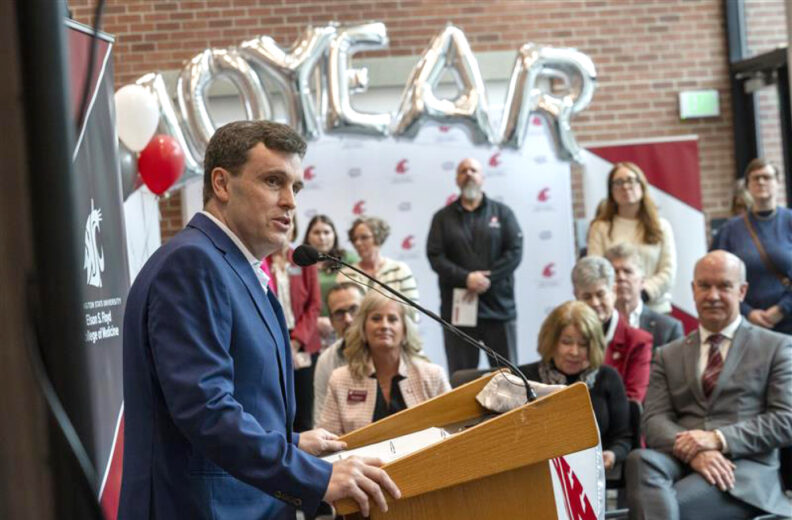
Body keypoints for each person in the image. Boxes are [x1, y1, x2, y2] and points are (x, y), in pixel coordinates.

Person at [120, 121, 399, 520]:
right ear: (221, 184)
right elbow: (207, 410)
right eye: (273, 181)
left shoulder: (235, 265)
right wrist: (314, 477)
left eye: (295, 188)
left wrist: (293, 443)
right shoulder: (192, 263)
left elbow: (243, 397)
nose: (290, 202)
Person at [625, 251, 792, 519]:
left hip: (743, 474)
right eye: (704, 286)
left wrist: (718, 440)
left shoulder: (776, 346)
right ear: (693, 290)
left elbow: (786, 420)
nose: (712, 295)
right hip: (680, 462)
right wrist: (694, 451)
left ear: (742, 291)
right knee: (639, 460)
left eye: (724, 286)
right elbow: (654, 421)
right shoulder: (668, 354)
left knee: (661, 510)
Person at [426, 157, 523, 374]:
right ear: (457, 180)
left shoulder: (503, 213)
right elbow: (435, 256)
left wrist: (489, 278)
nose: (468, 174)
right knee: (462, 377)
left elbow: (515, 251)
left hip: (499, 309)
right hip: (459, 312)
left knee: (509, 377)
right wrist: (466, 278)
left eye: (474, 170)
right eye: (463, 171)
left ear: (483, 178)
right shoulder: (442, 218)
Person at [519, 301, 631, 472]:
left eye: (583, 344)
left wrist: (612, 454)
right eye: (566, 342)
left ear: (593, 346)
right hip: (535, 472)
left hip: (591, 472)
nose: (574, 351)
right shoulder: (524, 378)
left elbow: (623, 438)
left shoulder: (608, 377)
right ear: (551, 342)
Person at [318, 291, 450, 435]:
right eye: (376, 319)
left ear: (405, 329)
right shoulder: (340, 380)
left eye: (392, 319)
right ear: (363, 328)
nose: (384, 325)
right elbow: (328, 442)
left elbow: (453, 431)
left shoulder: (433, 376)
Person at [711, 158, 792, 335]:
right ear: (747, 186)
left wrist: (783, 308)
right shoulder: (730, 230)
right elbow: (717, 277)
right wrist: (748, 312)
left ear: (778, 183)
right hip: (748, 325)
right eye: (755, 178)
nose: (761, 182)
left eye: (767, 177)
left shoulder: (789, 221)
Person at [587, 162, 677, 314]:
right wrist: (621, 296)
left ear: (641, 185)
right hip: (615, 311)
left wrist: (642, 293)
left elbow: (668, 271)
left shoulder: (661, 226)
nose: (625, 186)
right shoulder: (600, 228)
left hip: (655, 309)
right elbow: (596, 271)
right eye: (618, 182)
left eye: (630, 180)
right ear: (611, 191)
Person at [572, 256, 652, 402]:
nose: (595, 303)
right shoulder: (567, 340)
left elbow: (633, 401)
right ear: (576, 297)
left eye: (600, 294)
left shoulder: (637, 342)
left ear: (614, 291)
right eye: (587, 296)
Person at [267, 219, 321, 433]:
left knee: (304, 413)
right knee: (279, 410)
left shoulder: (302, 260)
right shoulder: (262, 261)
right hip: (273, 340)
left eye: (287, 227)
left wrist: (296, 341)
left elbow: (314, 305)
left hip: (303, 342)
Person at [605, 243, 683, 350]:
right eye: (615, 272)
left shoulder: (668, 329)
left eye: (627, 271)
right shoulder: (596, 326)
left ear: (642, 281)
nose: (621, 277)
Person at [313, 282, 365, 425]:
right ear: (331, 322)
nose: (348, 319)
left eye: (354, 309)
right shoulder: (326, 361)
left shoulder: (388, 351)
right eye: (339, 313)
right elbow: (321, 422)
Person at [336, 215, 419, 304]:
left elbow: (412, 309)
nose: (358, 243)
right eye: (354, 239)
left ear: (378, 238)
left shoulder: (399, 270)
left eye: (364, 237)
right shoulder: (346, 274)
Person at [303, 215, 358, 345]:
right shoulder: (300, 264)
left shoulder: (348, 259)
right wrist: (315, 321)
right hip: (310, 332)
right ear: (308, 237)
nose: (322, 237)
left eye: (326, 232)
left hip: (347, 328)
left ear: (334, 235)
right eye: (316, 232)